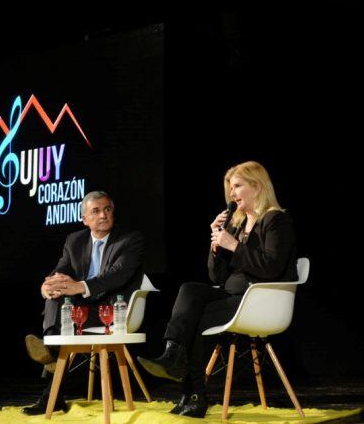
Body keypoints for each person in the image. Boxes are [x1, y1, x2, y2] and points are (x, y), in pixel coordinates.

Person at [138, 161, 298, 418]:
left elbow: (272, 268)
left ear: (256, 186)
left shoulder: (276, 220)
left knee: (195, 319)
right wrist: (215, 249)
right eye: (230, 187)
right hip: (234, 294)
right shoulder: (236, 223)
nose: (232, 194)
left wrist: (234, 246)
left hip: (259, 300)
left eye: (237, 186)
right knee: (190, 290)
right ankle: (173, 352)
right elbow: (217, 277)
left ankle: (192, 392)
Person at [22, 190, 146, 415]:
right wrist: (47, 286)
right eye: (95, 211)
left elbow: (117, 275)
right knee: (56, 297)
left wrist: (79, 286)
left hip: (113, 312)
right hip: (83, 311)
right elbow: (61, 270)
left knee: (65, 300)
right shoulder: (75, 240)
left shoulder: (130, 239)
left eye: (107, 210)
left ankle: (50, 353)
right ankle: (51, 348)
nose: (103, 215)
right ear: (84, 219)